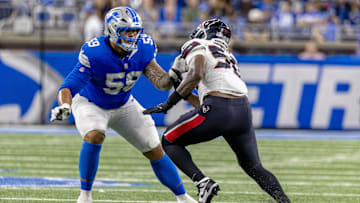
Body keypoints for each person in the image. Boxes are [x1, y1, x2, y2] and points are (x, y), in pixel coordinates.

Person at [50, 7, 196, 203]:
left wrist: (172, 75)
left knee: (154, 148)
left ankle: (183, 198)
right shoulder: (95, 52)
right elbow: (69, 86)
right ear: (112, 31)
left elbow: (161, 84)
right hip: (91, 103)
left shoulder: (143, 48)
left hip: (123, 103)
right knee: (95, 134)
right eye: (128, 31)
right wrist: (65, 106)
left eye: (135, 31)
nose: (133, 36)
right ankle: (85, 196)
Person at [144, 19, 292, 203]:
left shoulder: (196, 44)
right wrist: (181, 89)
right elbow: (206, 101)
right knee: (253, 166)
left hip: (218, 109)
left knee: (169, 140)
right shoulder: (228, 55)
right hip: (242, 111)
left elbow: (197, 74)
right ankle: (283, 201)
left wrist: (169, 103)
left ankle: (202, 182)